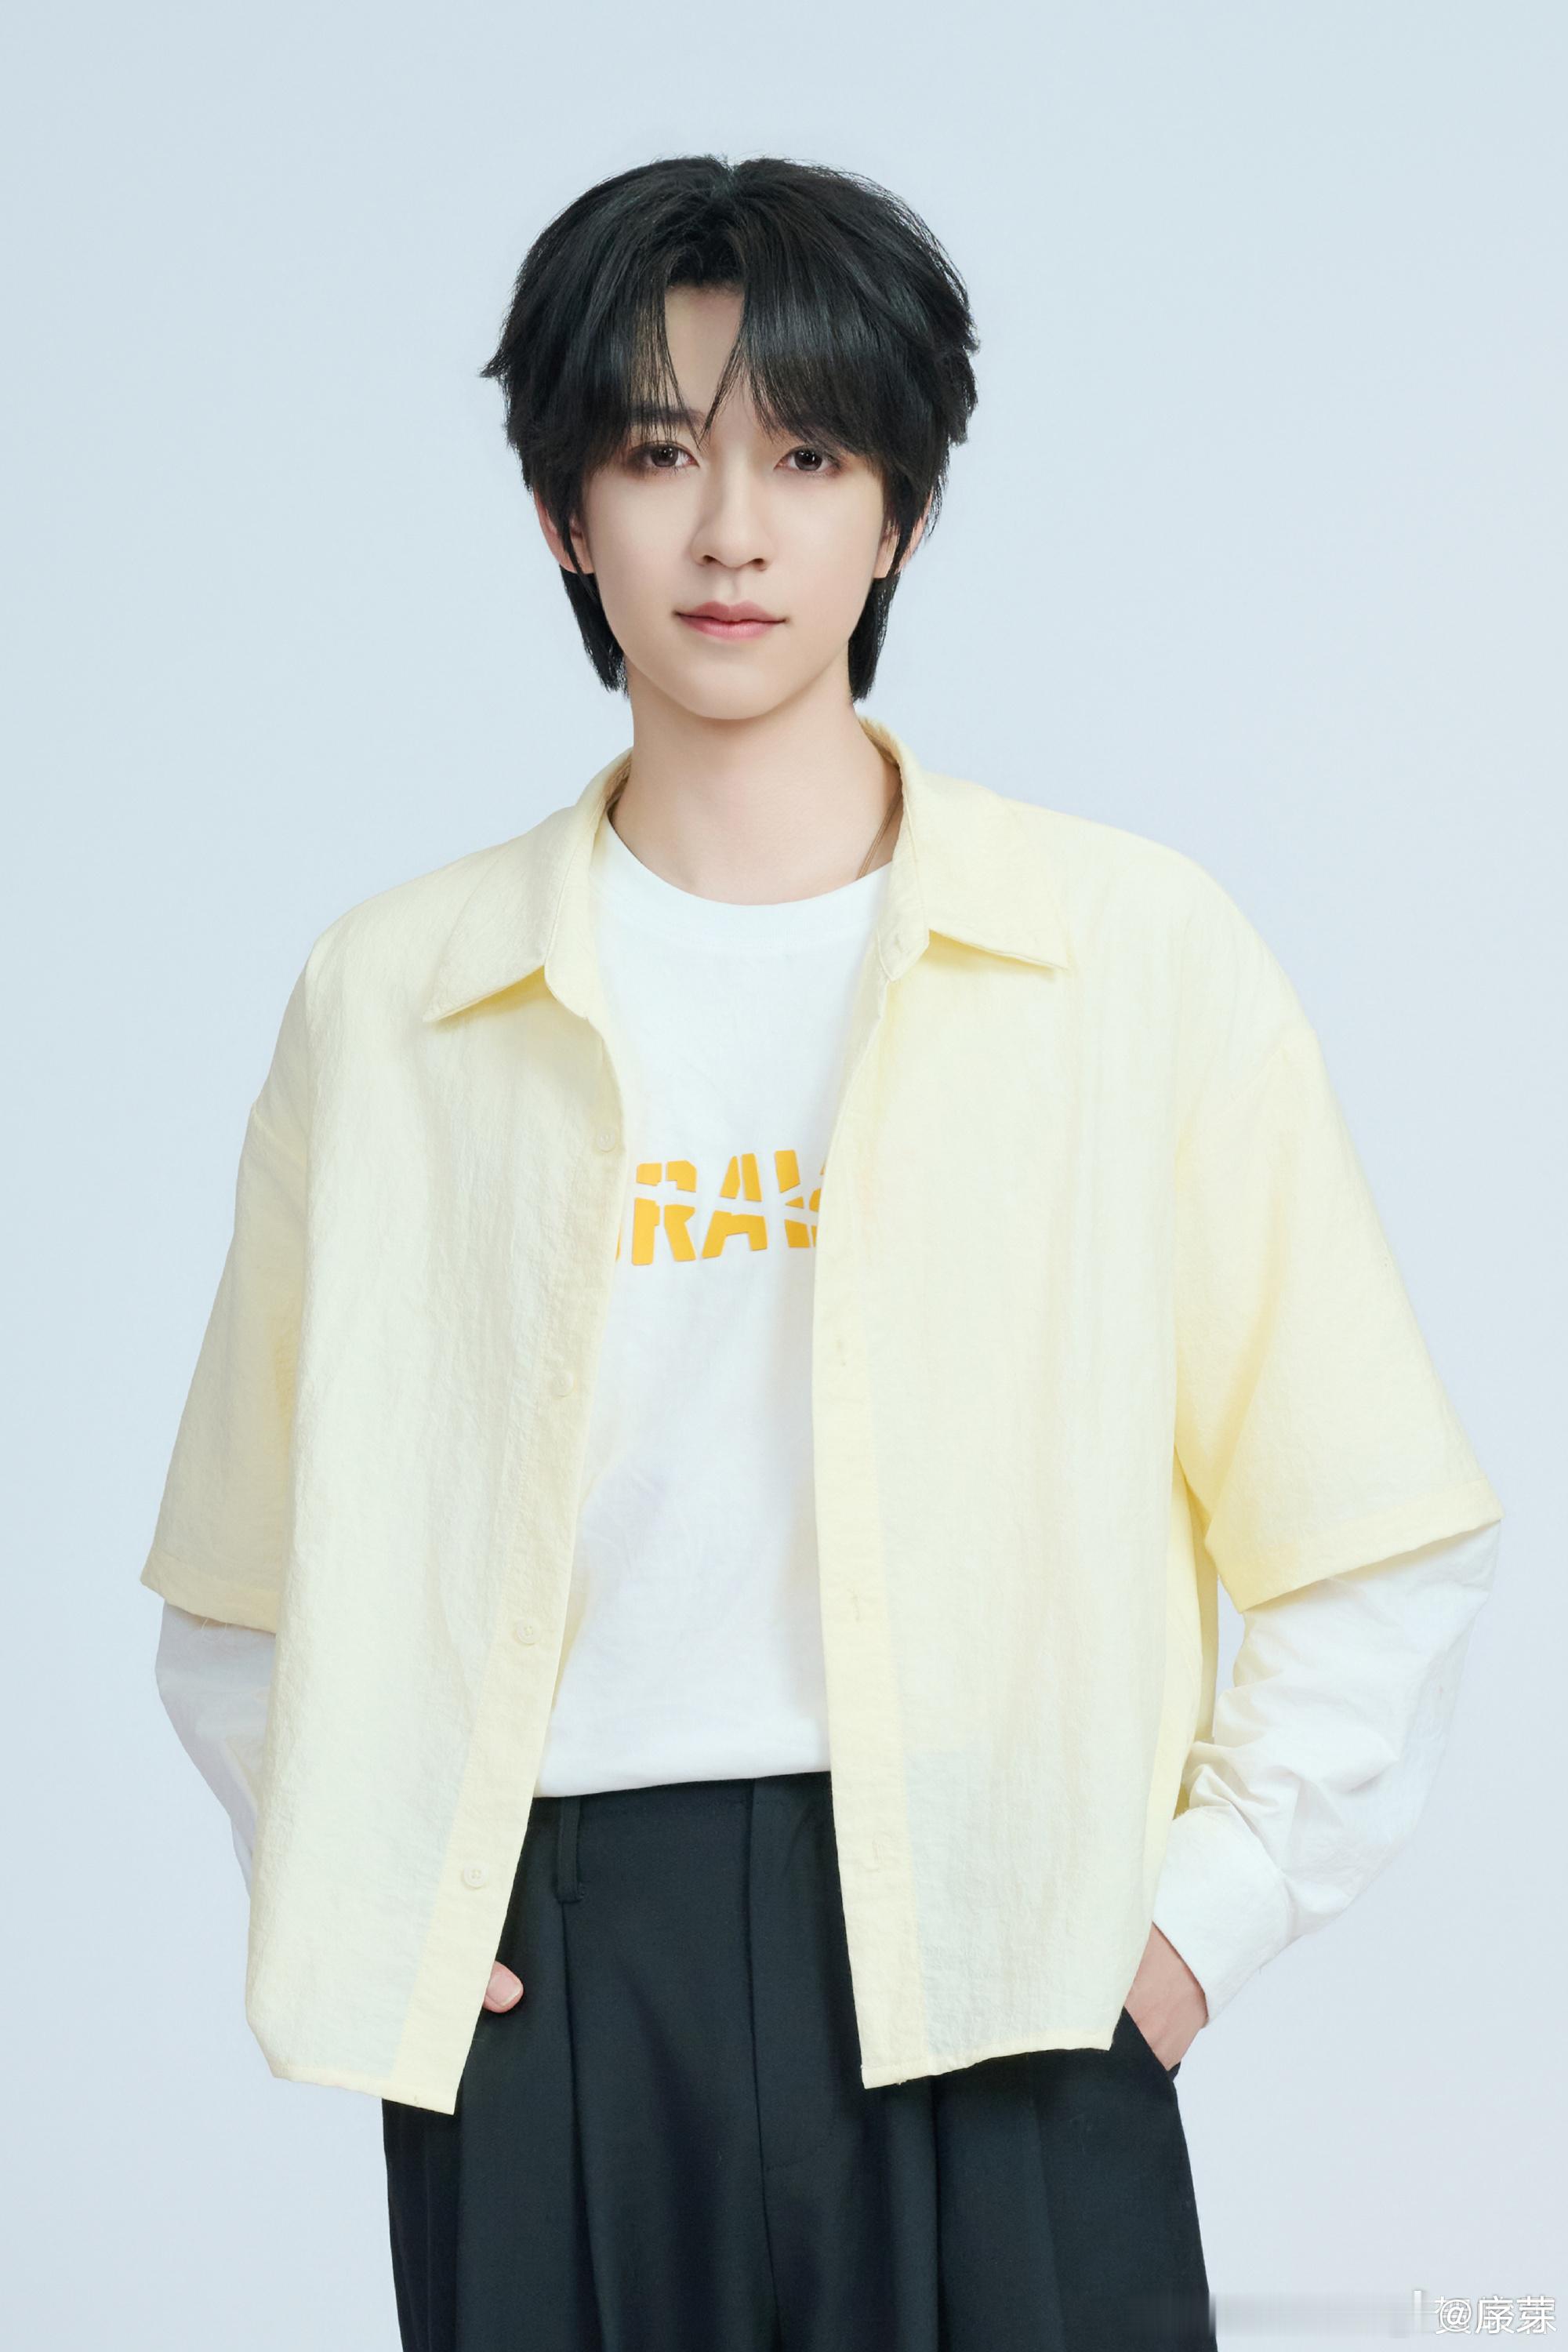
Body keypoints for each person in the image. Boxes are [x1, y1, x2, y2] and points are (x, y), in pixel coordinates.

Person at [141, 155, 1504, 2352]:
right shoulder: (394, 1000)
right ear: (562, 512)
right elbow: (237, 1583)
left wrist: (1194, 1926)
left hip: (1009, 1960)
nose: (731, 532)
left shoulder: (1129, 957)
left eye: (807, 456)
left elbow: (1373, 1530)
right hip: (557, 1975)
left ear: (903, 514)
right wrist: (386, 1896)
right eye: (656, 454)